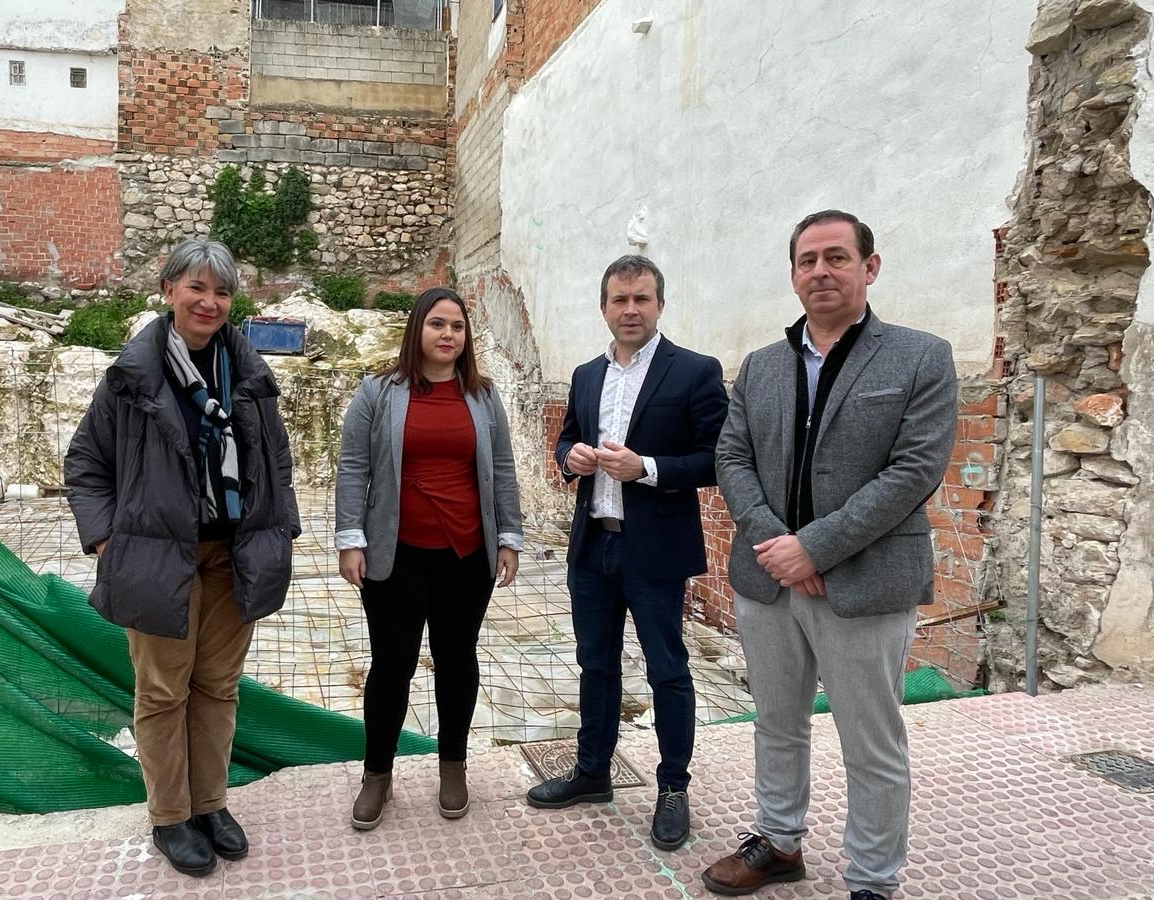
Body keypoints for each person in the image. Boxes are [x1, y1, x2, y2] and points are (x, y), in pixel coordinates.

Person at [701, 210, 957, 900]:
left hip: (866, 583)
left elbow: (913, 473)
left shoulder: (920, 357)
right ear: (792, 275)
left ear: (869, 267)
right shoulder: (760, 368)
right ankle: (778, 841)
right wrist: (777, 546)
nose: (821, 271)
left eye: (837, 257)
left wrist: (813, 549)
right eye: (807, 260)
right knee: (776, 723)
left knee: (871, 741)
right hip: (768, 584)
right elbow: (733, 457)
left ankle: (873, 880)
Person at [63, 239, 300, 878]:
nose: (210, 302)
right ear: (168, 290)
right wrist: (108, 540)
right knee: (163, 689)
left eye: (222, 292)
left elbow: (275, 462)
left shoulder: (248, 376)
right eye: (196, 287)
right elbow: (85, 464)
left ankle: (210, 804)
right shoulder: (132, 377)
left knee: (218, 686)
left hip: (235, 552)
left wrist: (283, 532)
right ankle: (171, 815)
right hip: (158, 557)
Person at [526, 255, 729, 853]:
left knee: (668, 669)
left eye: (642, 298)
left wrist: (648, 469)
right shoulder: (588, 374)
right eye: (620, 299)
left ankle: (672, 788)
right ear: (604, 307)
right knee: (596, 665)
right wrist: (572, 458)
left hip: (655, 551)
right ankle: (593, 773)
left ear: (660, 304)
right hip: (593, 546)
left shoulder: (693, 371)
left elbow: (717, 456)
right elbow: (566, 437)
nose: (631, 309)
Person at [335, 287, 523, 830]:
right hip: (396, 555)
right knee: (391, 666)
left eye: (458, 328)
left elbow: (503, 471)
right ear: (417, 329)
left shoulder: (484, 397)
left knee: (457, 660)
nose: (448, 335)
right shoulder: (378, 393)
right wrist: (351, 538)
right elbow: (352, 467)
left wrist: (508, 537)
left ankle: (453, 765)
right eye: (438, 324)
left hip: (466, 555)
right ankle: (377, 774)